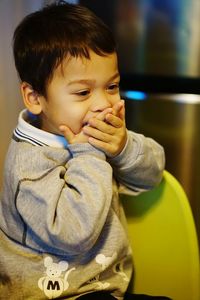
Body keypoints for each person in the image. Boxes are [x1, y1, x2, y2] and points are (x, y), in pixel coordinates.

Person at [0, 2, 168, 299]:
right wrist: (89, 155)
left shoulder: (99, 136)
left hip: (109, 288)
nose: (104, 103)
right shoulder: (28, 165)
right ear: (35, 97)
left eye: (112, 86)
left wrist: (124, 148)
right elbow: (73, 233)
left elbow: (154, 174)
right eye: (83, 92)